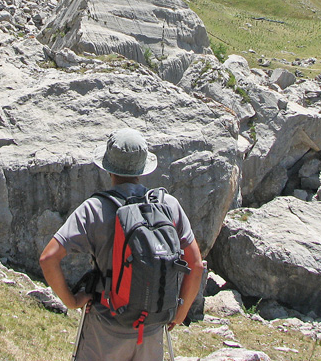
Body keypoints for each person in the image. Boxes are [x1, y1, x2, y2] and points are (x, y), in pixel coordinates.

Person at [40, 128, 204, 361]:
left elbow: (48, 258)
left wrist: (72, 301)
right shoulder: (168, 205)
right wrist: (180, 313)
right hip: (152, 324)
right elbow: (195, 265)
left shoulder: (94, 208)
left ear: (108, 167)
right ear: (143, 167)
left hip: (106, 327)